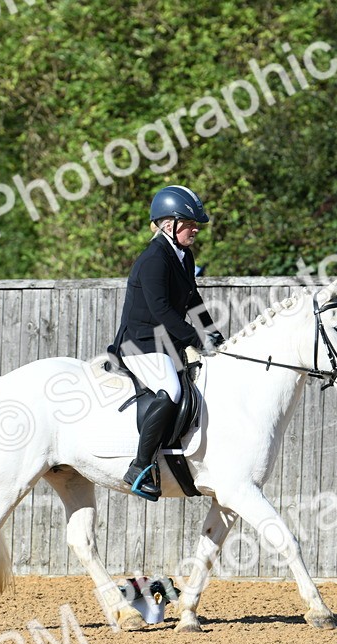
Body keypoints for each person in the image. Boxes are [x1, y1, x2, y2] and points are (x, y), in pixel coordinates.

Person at [111, 185, 224, 501]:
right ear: (169, 224)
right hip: (140, 343)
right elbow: (160, 310)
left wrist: (212, 332)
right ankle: (140, 465)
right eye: (189, 223)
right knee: (172, 390)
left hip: (165, 343)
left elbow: (193, 299)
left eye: (195, 223)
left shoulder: (184, 256)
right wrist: (195, 337)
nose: (195, 228)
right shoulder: (154, 259)